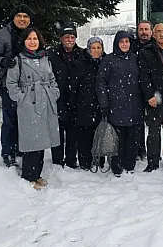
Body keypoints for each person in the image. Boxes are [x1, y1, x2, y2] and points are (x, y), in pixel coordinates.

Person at [6, 28, 61, 190]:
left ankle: (37, 174)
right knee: (31, 140)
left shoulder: (44, 58)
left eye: (35, 39)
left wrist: (54, 93)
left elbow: (52, 79)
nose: (32, 42)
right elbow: (11, 83)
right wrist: (22, 98)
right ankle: (28, 176)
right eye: (29, 39)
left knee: (42, 140)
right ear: (24, 41)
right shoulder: (18, 60)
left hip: (45, 100)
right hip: (29, 102)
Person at [0, 4, 33, 167]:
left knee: (26, 119)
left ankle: (22, 148)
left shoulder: (32, 35)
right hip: (9, 84)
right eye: (19, 16)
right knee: (10, 120)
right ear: (13, 18)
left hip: (29, 84)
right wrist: (3, 62)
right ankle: (8, 152)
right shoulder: (2, 35)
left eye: (25, 16)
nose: (22, 19)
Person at [96, 30, 143, 176]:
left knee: (132, 138)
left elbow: (144, 80)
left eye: (127, 41)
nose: (124, 44)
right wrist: (104, 103)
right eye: (121, 42)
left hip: (134, 105)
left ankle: (129, 165)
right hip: (115, 105)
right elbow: (101, 83)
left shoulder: (136, 59)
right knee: (117, 139)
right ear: (117, 43)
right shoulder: (108, 60)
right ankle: (116, 166)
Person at [138, 23, 163, 172]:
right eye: (158, 32)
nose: (161, 34)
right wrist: (149, 95)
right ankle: (153, 162)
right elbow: (144, 76)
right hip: (154, 99)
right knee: (153, 133)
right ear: (153, 35)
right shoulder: (146, 52)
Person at [49, 22, 83, 168]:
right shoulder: (51, 54)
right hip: (57, 97)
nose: (69, 40)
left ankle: (71, 159)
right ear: (61, 38)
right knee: (57, 131)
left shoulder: (82, 54)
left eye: (72, 37)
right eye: (66, 37)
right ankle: (57, 160)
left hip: (76, 99)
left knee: (73, 132)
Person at [70, 37, 105, 170]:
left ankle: (99, 160)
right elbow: (73, 87)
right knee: (84, 136)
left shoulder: (106, 63)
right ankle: (85, 162)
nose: (96, 51)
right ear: (88, 49)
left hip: (100, 105)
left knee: (99, 134)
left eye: (99, 48)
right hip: (83, 106)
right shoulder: (80, 64)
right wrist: (73, 105)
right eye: (93, 48)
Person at [133, 20, 153, 161]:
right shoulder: (132, 46)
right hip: (135, 89)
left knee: (153, 123)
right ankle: (139, 149)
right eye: (141, 29)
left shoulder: (156, 46)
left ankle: (153, 151)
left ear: (151, 31)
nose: (144, 32)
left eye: (146, 29)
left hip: (153, 89)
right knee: (137, 122)